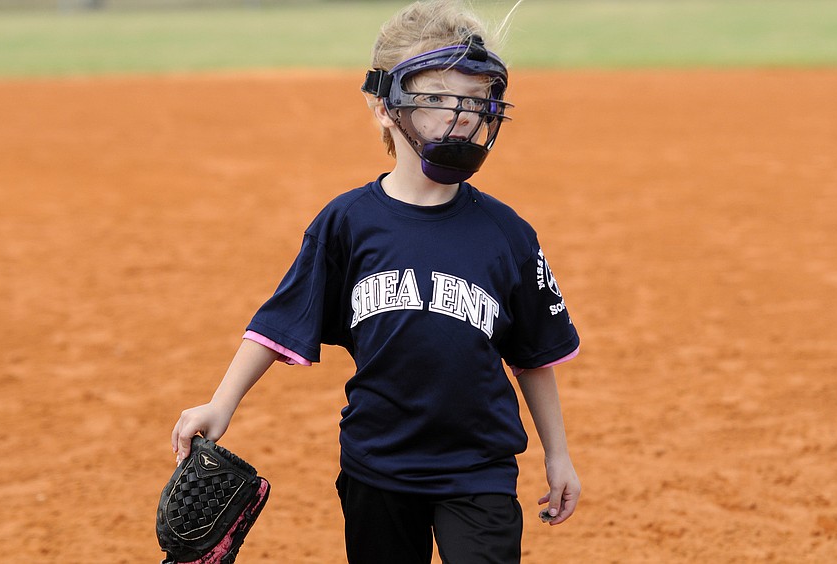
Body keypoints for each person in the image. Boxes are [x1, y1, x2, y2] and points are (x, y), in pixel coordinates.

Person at [171, 1, 581, 562]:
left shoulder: (507, 233)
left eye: (473, 99)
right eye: (436, 97)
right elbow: (281, 319)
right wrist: (221, 405)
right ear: (384, 106)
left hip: (478, 467)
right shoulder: (346, 223)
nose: (459, 116)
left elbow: (533, 353)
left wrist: (558, 455)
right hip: (377, 464)